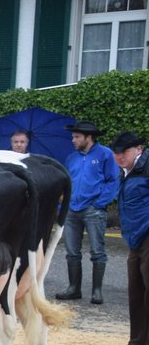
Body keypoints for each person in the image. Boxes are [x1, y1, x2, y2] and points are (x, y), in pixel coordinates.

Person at [55, 120, 120, 304]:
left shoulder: (105, 154)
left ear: (89, 137)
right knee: (71, 252)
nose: (73, 140)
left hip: (93, 210)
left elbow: (113, 181)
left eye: (77, 137)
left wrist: (100, 203)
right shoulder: (71, 158)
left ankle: (96, 291)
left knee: (97, 251)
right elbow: (66, 182)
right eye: (73, 136)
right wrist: (63, 205)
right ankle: (74, 288)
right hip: (71, 210)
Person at [110, 131, 149, 345]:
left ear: (138, 150)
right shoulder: (125, 172)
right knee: (135, 291)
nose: (119, 156)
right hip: (135, 237)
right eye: (116, 153)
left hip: (146, 233)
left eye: (124, 152)